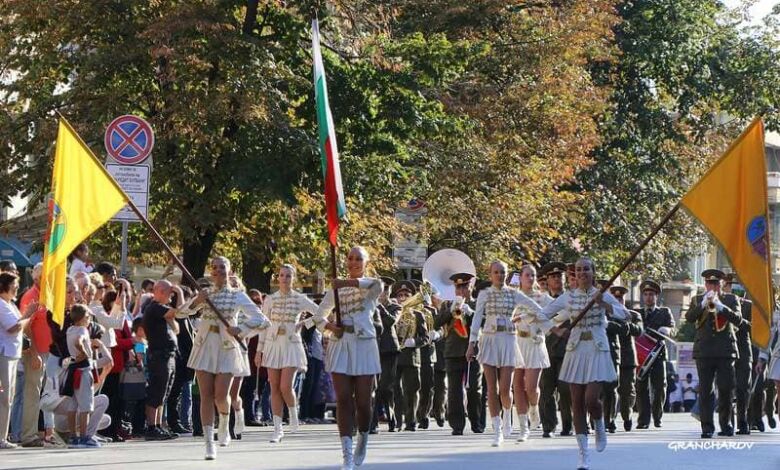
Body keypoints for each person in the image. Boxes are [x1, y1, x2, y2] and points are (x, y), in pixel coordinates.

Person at [177, 256, 270, 460]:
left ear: (229, 271)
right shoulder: (205, 293)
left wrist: (241, 328)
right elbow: (180, 314)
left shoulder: (238, 296)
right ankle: (209, 442)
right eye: (215, 267)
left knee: (221, 396)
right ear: (211, 271)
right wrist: (196, 302)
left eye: (222, 267)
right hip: (204, 346)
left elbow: (262, 320)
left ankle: (225, 423)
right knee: (205, 395)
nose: (218, 271)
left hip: (227, 347)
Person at [541, 258, 628, 470]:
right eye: (578, 269)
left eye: (586, 269)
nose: (582, 273)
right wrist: (556, 330)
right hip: (575, 350)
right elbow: (542, 315)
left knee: (591, 399)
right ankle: (583, 454)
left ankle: (598, 424)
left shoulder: (602, 293)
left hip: (597, 348)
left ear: (593, 272)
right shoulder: (568, 297)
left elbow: (625, 315)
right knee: (576, 401)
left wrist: (604, 304)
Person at [311, 246, 383, 470]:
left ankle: (363, 436)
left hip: (364, 344)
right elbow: (318, 316)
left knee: (363, 401)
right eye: (350, 258)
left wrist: (345, 283)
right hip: (340, 343)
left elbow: (374, 285)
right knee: (343, 398)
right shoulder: (335, 289)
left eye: (358, 259)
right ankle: (347, 454)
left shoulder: (373, 284)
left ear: (366, 262)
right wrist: (332, 326)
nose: (353, 263)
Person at [466, 260, 544, 447]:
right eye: (496, 272)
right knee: (491, 388)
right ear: (490, 274)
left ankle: (508, 414)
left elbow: (536, 308)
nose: (500, 275)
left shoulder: (514, 294)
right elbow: (477, 319)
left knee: (504, 388)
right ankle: (497, 429)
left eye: (503, 272)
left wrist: (528, 318)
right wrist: (472, 343)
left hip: (508, 340)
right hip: (490, 340)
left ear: (507, 274)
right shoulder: (484, 294)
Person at [255, 264, 319, 443]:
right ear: (278, 278)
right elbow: (263, 325)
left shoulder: (300, 298)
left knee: (285, 386)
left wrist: (304, 324)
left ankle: (293, 412)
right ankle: (277, 428)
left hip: (291, 344)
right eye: (282, 276)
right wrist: (259, 351)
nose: (284, 279)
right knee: (274, 387)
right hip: (272, 344)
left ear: (294, 278)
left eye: (288, 276)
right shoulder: (270, 299)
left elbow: (321, 313)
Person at [684, 269, 744, 438]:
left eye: (716, 283)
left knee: (725, 389)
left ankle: (726, 425)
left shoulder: (731, 299)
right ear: (705, 284)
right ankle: (707, 427)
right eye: (710, 283)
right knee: (705, 390)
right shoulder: (697, 299)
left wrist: (721, 307)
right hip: (704, 351)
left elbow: (738, 319)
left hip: (725, 351)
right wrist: (702, 304)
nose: (713, 286)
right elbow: (689, 318)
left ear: (721, 284)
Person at [435, 272, 483, 436]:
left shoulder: (478, 305)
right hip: (452, 351)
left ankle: (476, 422)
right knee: (454, 391)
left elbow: (483, 323)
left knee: (474, 389)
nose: (461, 290)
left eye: (465, 286)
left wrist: (470, 312)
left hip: (473, 351)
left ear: (471, 287)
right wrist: (450, 310)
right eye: (458, 287)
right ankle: (457, 424)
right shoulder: (447, 304)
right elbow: (437, 322)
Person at [511, 265, 553, 441]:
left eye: (533, 275)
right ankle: (523, 427)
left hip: (534, 343)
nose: (530, 278)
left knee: (531, 387)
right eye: (527, 275)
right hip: (517, 342)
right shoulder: (512, 296)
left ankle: (534, 407)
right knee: (517, 386)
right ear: (520, 277)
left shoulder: (542, 298)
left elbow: (554, 312)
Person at [0, 272, 36, 449]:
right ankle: (1, 438)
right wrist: (28, 313)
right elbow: (13, 328)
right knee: (5, 397)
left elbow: (20, 325)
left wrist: (28, 315)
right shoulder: (1, 304)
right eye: (14, 284)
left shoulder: (10, 304)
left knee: (9, 398)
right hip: (4, 354)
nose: (17, 287)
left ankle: (3, 436)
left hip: (13, 354)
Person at [142, 280, 183, 441]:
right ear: (159, 291)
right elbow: (177, 313)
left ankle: (158, 425)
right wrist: (180, 294)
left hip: (169, 355)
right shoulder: (154, 307)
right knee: (156, 391)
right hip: (159, 355)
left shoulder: (163, 311)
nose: (171, 297)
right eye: (169, 293)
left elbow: (176, 328)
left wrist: (172, 315)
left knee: (163, 393)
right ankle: (151, 427)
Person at [538, 261, 573, 438]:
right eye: (553, 277)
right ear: (547, 280)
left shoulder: (571, 298)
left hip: (567, 349)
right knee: (546, 389)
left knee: (566, 389)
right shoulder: (542, 301)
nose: (557, 279)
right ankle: (549, 425)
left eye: (559, 276)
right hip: (546, 349)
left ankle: (568, 424)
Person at [635, 280, 674, 429]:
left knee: (659, 387)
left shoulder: (664, 312)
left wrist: (667, 330)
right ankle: (643, 419)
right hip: (641, 357)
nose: (648, 297)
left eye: (651, 294)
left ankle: (657, 416)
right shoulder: (637, 313)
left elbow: (672, 328)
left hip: (658, 355)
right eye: (645, 294)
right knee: (641, 387)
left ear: (656, 296)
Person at [391, 281, 427, 432]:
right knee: (395, 390)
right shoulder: (392, 312)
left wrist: (415, 341)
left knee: (412, 390)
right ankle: (398, 421)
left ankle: (411, 421)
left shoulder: (418, 315)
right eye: (400, 295)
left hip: (412, 357)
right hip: (394, 357)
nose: (403, 298)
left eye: (406, 295)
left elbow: (425, 337)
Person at [723, 273, 753, 434]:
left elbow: (753, 327)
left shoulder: (749, 305)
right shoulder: (719, 304)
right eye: (730, 285)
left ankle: (743, 421)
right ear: (725, 287)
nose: (734, 288)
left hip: (743, 349)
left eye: (738, 285)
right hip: (726, 350)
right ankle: (727, 423)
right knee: (726, 388)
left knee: (743, 387)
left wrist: (737, 318)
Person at [371, 276, 400, 433]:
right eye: (381, 290)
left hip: (390, 350)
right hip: (373, 348)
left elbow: (390, 322)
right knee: (373, 387)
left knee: (386, 387)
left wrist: (380, 308)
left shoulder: (395, 307)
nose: (383, 294)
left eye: (386, 290)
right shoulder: (369, 306)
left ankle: (391, 419)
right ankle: (372, 423)